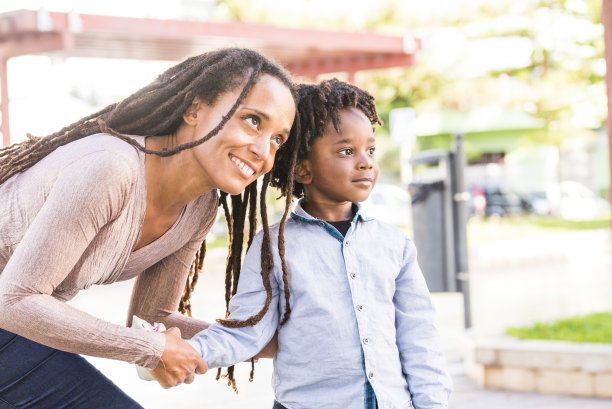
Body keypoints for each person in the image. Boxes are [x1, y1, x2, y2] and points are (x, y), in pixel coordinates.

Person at [0, 48, 298, 409]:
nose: (264, 151)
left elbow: (152, 318)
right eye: (253, 120)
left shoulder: (199, 208)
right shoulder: (111, 169)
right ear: (194, 109)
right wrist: (152, 349)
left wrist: (277, 340)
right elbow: (13, 301)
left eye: (278, 139)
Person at [188, 79, 453, 409]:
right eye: (346, 151)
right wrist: (189, 353)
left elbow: (419, 339)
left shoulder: (394, 244)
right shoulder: (273, 246)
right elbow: (247, 331)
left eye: (370, 150)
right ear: (302, 168)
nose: (365, 162)